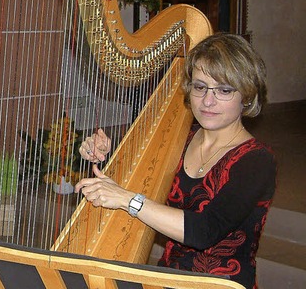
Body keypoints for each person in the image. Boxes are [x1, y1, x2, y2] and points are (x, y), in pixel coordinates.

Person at [75, 33, 276, 289]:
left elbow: (205, 232)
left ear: (246, 96)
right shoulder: (178, 139)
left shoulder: (257, 161)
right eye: (200, 87)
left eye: (224, 90)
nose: (208, 101)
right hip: (166, 280)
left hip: (221, 284)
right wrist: (103, 154)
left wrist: (128, 199)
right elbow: (135, 181)